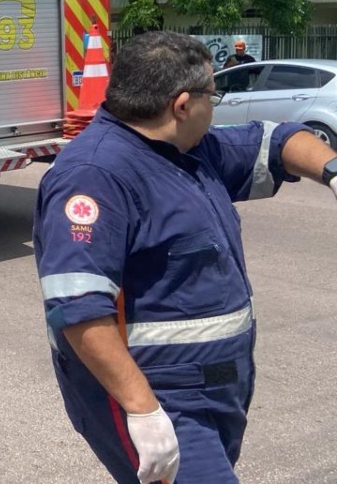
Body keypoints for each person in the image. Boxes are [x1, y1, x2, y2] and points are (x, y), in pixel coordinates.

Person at [33, 30, 337, 483]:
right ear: (181, 105)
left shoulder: (191, 151)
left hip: (216, 392)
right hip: (160, 397)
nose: (214, 110)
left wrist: (333, 173)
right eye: (212, 97)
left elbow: (280, 139)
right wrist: (143, 409)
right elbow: (78, 310)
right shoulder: (96, 176)